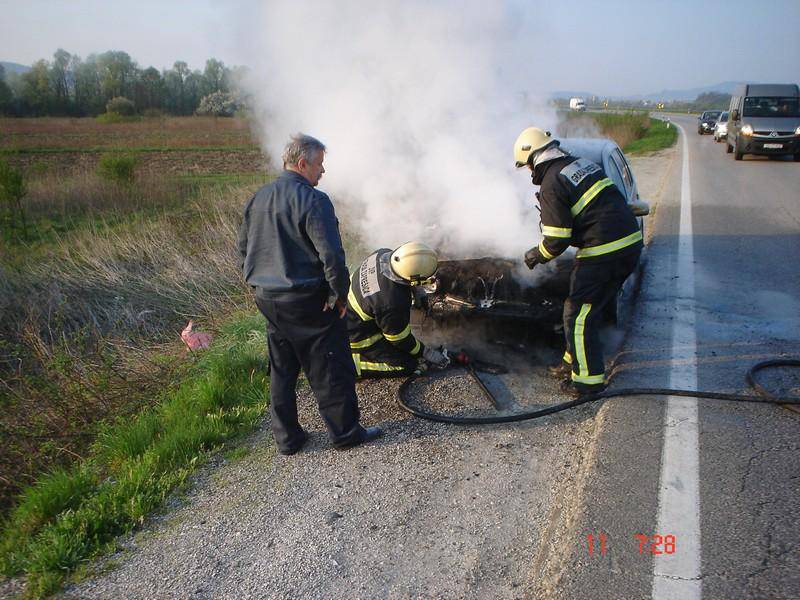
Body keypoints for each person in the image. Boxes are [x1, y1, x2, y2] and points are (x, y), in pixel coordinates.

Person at [237, 133, 381, 454]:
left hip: (269, 300)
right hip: (306, 301)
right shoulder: (314, 201)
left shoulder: (258, 197)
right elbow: (332, 255)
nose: (323, 172)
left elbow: (243, 250)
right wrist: (340, 296)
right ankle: (345, 433)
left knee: (282, 368)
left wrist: (258, 285)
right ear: (302, 164)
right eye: (319, 165)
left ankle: (288, 439)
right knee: (330, 364)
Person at [513, 127, 642, 397]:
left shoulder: (551, 182)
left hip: (605, 251)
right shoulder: (577, 164)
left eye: (526, 167)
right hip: (627, 244)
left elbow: (557, 240)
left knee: (578, 315)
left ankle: (587, 382)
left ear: (534, 158)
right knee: (587, 310)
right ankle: (571, 361)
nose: (528, 172)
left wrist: (536, 256)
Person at [347, 242, 450, 377]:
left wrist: (416, 288)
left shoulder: (383, 254)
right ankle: (353, 365)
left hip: (345, 311)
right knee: (406, 365)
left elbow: (403, 274)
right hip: (354, 336)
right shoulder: (391, 302)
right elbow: (399, 339)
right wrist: (426, 353)